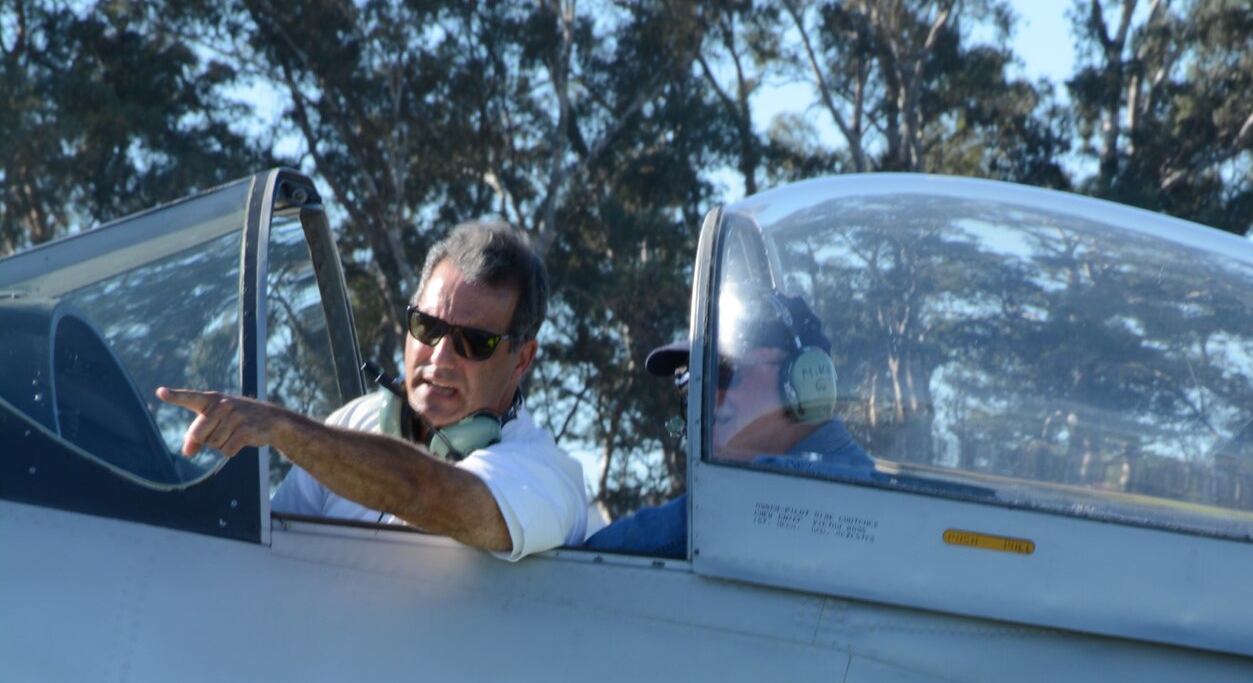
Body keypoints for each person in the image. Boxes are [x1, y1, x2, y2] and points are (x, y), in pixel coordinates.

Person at [157, 221, 586, 559]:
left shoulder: (546, 477)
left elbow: (427, 494)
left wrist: (284, 429)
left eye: (474, 342)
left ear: (523, 359)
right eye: (428, 327)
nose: (440, 358)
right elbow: (272, 541)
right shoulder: (353, 422)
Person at [586, 287, 873, 559]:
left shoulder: (801, 487)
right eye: (688, 378)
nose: (705, 394)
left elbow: (602, 554)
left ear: (805, 379)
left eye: (722, 371)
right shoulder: (849, 474)